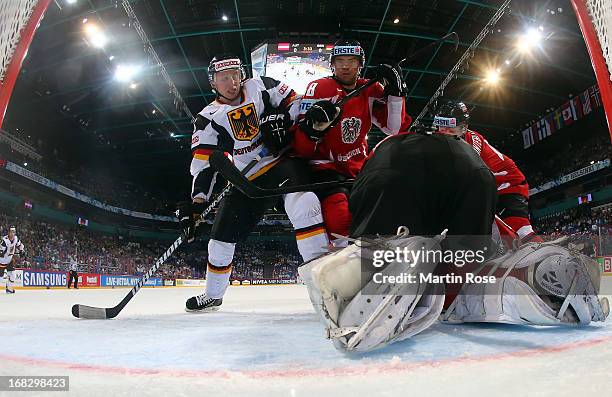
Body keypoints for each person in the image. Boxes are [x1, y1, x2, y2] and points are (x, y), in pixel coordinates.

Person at [177, 54, 329, 312]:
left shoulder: (261, 85)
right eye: (223, 78)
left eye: (235, 75)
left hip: (282, 163)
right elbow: (204, 165)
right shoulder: (207, 119)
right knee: (220, 239)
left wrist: (284, 121)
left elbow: (296, 104)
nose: (231, 82)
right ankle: (213, 295)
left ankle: (326, 289)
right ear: (212, 83)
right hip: (247, 179)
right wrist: (198, 202)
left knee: (305, 206)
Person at [292, 40, 409, 246]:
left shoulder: (370, 89)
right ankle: (341, 266)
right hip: (326, 169)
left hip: (360, 168)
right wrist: (313, 129)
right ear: (332, 64)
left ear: (360, 64)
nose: (346, 66)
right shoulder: (318, 88)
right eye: (340, 61)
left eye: (352, 61)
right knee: (340, 219)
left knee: (389, 209)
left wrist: (396, 93)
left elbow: (394, 129)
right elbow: (303, 149)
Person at [432, 100, 542, 243]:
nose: (444, 133)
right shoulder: (445, 140)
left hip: (508, 185)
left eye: (450, 130)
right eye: (441, 128)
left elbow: (465, 184)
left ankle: (555, 259)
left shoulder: (470, 146)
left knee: (521, 231)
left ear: (464, 128)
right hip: (488, 184)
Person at [0, 226, 25, 294]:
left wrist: (22, 250)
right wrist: (1, 252)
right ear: (8, 232)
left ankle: (9, 289)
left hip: (9, 260)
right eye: (11, 231)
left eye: (14, 232)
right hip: (1, 261)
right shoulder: (4, 241)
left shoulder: (16, 239)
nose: (12, 233)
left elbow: (20, 245)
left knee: (13, 275)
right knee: (0, 277)